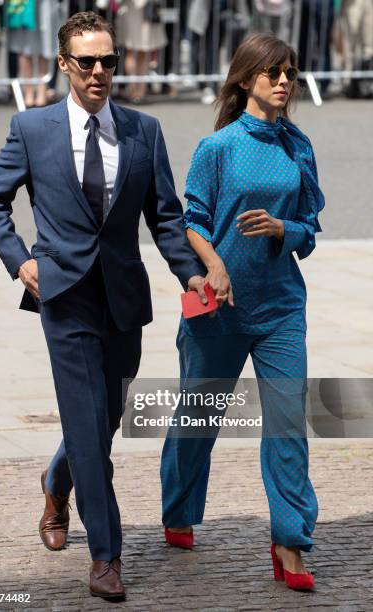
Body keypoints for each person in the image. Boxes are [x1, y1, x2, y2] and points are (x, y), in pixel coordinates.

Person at [0, 10, 207, 601]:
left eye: (109, 60)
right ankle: (107, 555)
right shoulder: (32, 130)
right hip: (64, 298)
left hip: (124, 301)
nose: (99, 71)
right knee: (86, 423)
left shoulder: (143, 130)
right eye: (87, 62)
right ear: (64, 64)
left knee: (100, 426)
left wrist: (192, 275)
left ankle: (56, 482)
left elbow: (166, 217)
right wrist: (20, 260)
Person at [160, 32, 325, 592]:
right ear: (245, 79)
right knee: (197, 419)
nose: (283, 81)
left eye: (290, 73)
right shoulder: (219, 148)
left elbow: (310, 231)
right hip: (219, 309)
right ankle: (178, 510)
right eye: (272, 72)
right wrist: (214, 263)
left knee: (286, 426)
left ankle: (290, 542)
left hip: (282, 308)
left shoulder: (298, 147)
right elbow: (193, 220)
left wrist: (286, 229)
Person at [6, 0, 67, 107]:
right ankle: (28, 92)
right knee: (25, 47)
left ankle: (41, 91)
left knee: (46, 44)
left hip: (46, 4)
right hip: (25, 4)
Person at [116, 0, 168, 103]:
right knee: (133, 51)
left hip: (145, 11)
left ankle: (139, 91)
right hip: (133, 11)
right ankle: (134, 90)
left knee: (143, 52)